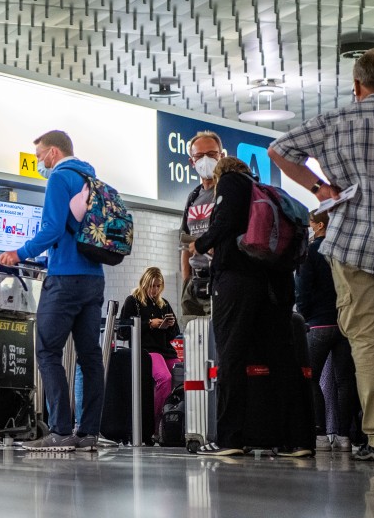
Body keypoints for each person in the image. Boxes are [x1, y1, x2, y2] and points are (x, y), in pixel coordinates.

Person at [269, 48, 374, 462]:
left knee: (367, 342)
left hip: (354, 245)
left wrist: (319, 189)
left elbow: (279, 149)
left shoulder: (338, 120)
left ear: (357, 85)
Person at [189, 157, 314, 456]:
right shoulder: (266, 191)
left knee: (231, 356)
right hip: (276, 285)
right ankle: (298, 440)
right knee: (283, 358)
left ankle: (231, 438)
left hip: (237, 283)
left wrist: (201, 243)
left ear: (221, 173)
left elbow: (226, 221)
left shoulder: (231, 182)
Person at [0, 130, 111, 452]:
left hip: (65, 278)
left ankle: (60, 431)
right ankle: (88, 433)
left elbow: (52, 227)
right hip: (94, 277)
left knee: (48, 352)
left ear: (52, 153)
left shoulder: (60, 177)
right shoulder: (91, 177)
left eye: (38, 157)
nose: (38, 164)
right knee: (89, 357)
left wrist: (19, 253)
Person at [295, 210, 357, 453]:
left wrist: (305, 314)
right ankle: (344, 437)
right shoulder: (343, 251)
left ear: (320, 226)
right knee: (345, 382)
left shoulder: (311, 251)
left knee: (309, 377)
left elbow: (302, 287)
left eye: (311, 224)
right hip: (344, 324)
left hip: (318, 325)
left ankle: (320, 434)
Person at [121, 267, 180, 433]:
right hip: (146, 350)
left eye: (158, 286)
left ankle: (174, 421)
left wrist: (170, 325)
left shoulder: (164, 304)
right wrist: (149, 324)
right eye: (152, 286)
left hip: (165, 350)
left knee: (184, 380)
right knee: (165, 378)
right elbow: (123, 332)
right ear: (144, 283)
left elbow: (174, 335)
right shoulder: (132, 301)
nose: (154, 290)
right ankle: (155, 424)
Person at [180, 131, 225, 325]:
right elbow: (184, 242)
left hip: (220, 280)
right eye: (199, 156)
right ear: (192, 162)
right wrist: (186, 280)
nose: (205, 160)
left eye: (212, 154)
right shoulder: (193, 197)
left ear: (221, 156)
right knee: (192, 343)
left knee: (217, 342)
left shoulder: (227, 191)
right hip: (194, 284)